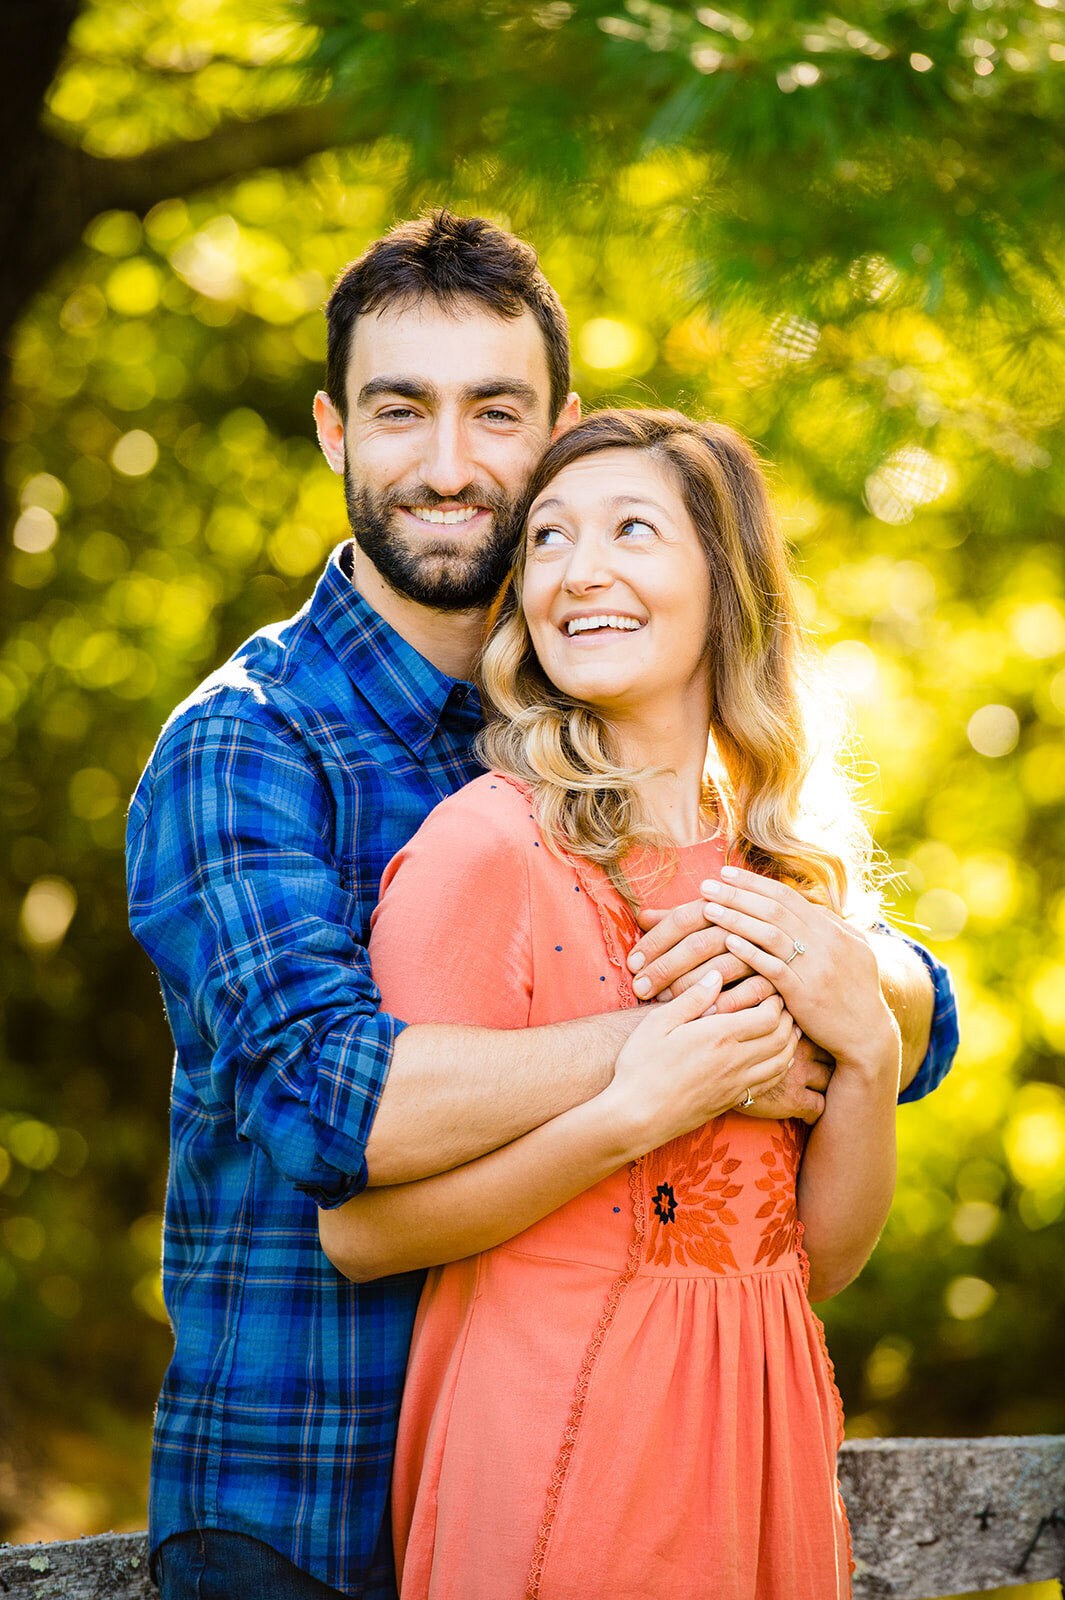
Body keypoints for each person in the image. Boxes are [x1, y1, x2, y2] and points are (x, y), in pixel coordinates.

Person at [127, 212, 959, 1600]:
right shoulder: (250, 743)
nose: (449, 465)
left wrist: (857, 982)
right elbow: (341, 1107)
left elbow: (903, 1027)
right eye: (401, 411)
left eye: (494, 412)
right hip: (307, 1500)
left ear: (555, 428)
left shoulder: (596, 730)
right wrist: (683, 1051)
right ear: (334, 432)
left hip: (641, 1471)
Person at [320, 408, 899, 1599]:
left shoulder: (778, 873)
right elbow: (360, 1233)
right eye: (547, 540)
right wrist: (630, 1112)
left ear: (725, 586)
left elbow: (817, 1261)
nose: (579, 572)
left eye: (632, 530)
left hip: (758, 1447)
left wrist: (875, 1049)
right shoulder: (487, 852)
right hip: (556, 1442)